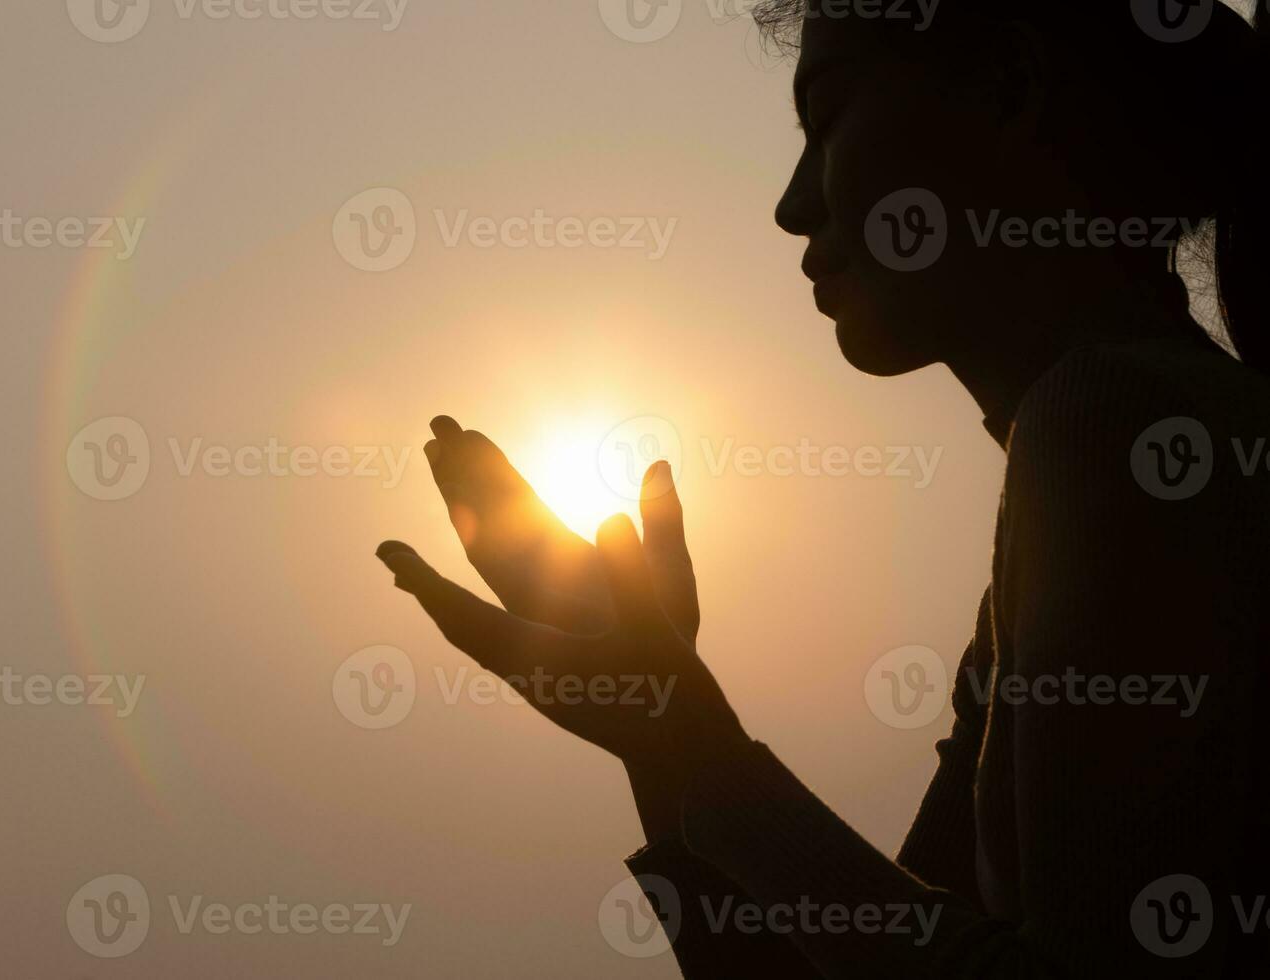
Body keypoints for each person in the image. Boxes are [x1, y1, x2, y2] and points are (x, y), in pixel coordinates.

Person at [375, 2, 1270, 975]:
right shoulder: (1095, 460)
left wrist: (696, 743)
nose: (793, 203)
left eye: (829, 116)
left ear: (1008, 86)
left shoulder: (1120, 418)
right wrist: (655, 734)